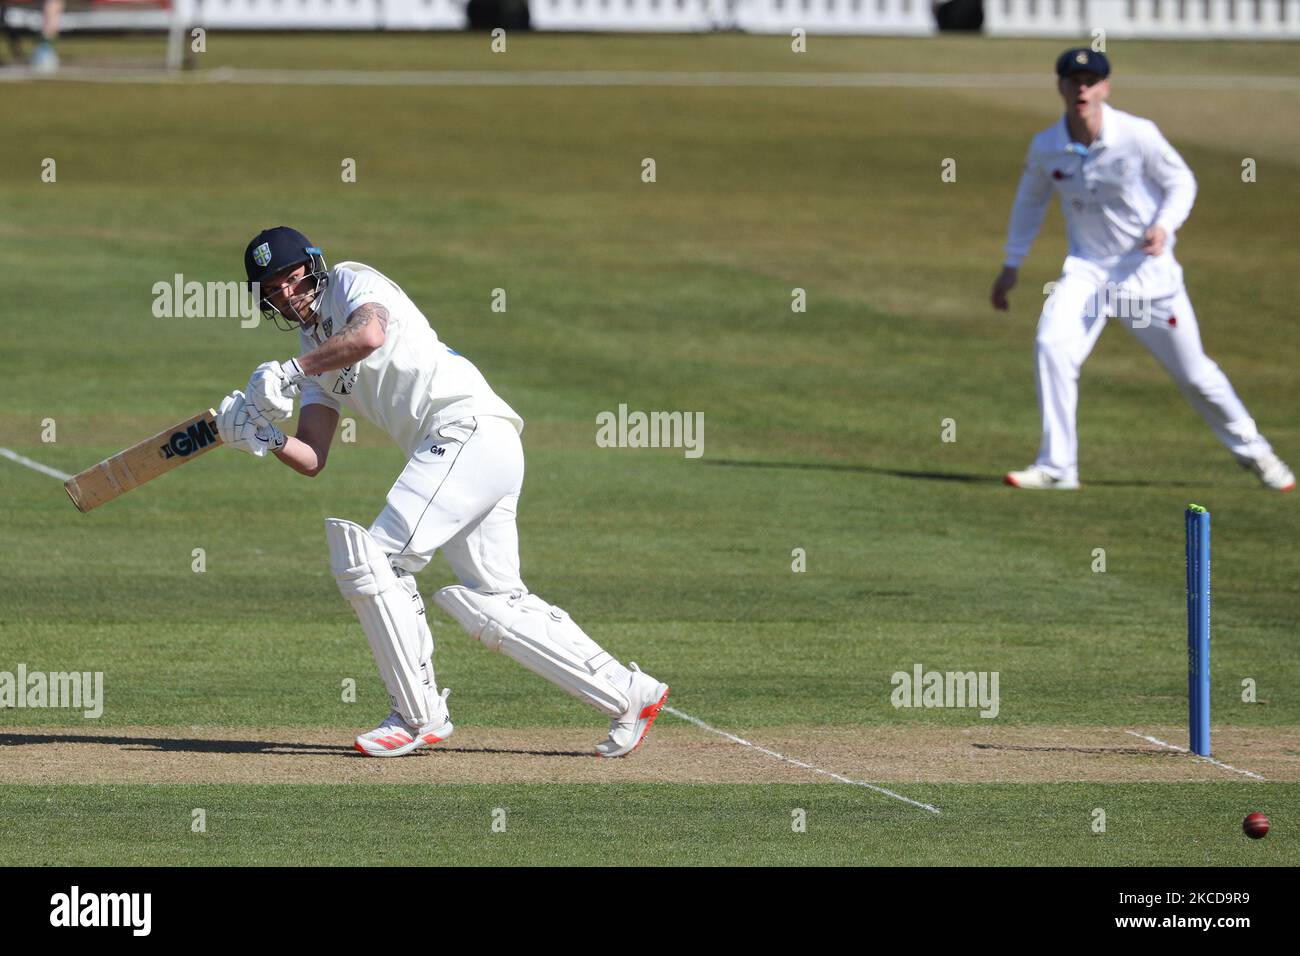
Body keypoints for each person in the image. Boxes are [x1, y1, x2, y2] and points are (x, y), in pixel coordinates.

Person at [216, 227, 669, 757]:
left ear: (314, 267)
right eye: (275, 291)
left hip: (467, 431)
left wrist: (290, 373)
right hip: (472, 452)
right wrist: (266, 437)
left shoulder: (351, 283)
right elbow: (314, 457)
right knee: (496, 599)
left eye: (293, 279)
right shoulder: (311, 351)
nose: (289, 295)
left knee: (375, 561)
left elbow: (368, 337)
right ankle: (630, 694)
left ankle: (417, 716)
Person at [990, 48, 1293, 492]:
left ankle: (1257, 452)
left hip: (1145, 274)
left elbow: (1181, 182)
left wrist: (1164, 227)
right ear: (1059, 86)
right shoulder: (1046, 147)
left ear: (1105, 88)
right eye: (1074, 80)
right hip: (1088, 271)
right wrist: (1011, 263)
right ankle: (1058, 467)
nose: (1082, 89)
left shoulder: (1137, 134)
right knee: (1051, 344)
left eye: (1091, 80)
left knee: (1195, 375)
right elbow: (1030, 203)